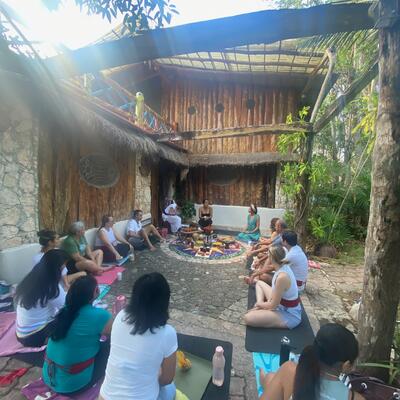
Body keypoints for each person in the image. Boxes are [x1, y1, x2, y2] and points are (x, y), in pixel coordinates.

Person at [100, 272, 177, 400]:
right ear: (164, 301)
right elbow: (167, 379)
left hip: (105, 396)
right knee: (170, 388)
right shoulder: (167, 333)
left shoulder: (120, 316)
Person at [42, 275, 113, 394]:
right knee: (110, 344)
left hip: (48, 377)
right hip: (74, 386)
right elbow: (114, 332)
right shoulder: (100, 315)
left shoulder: (64, 311)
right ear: (96, 291)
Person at [259, 323, 365, 400]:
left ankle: (266, 381)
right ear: (346, 365)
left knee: (271, 377)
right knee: (271, 378)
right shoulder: (355, 398)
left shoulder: (290, 370)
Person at [15, 249, 68, 347]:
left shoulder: (30, 279)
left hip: (21, 335)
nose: (65, 270)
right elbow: (67, 305)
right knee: (70, 317)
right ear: (58, 268)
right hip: (35, 336)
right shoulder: (52, 287)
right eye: (63, 267)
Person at [244, 246, 301, 329]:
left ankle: (259, 305)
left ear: (271, 258)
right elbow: (266, 268)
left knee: (248, 318)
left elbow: (273, 306)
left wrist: (259, 305)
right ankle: (260, 304)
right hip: (279, 303)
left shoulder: (282, 277)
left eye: (268, 255)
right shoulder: (281, 265)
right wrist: (254, 275)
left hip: (288, 313)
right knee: (259, 283)